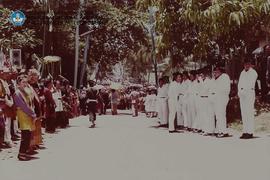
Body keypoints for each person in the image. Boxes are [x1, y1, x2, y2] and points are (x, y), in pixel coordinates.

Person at [14, 75, 37, 161]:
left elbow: (30, 102)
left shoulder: (25, 92)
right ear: (18, 83)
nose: (25, 84)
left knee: (28, 134)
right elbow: (23, 106)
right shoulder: (17, 93)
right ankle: (21, 154)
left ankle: (24, 152)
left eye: (26, 82)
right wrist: (32, 113)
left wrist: (32, 113)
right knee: (25, 135)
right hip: (23, 115)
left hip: (28, 115)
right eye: (23, 82)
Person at [238, 58, 258, 139]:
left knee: (249, 113)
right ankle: (245, 131)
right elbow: (239, 84)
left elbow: (250, 84)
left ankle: (250, 132)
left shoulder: (253, 73)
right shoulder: (242, 73)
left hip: (249, 94)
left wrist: (244, 91)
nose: (246, 65)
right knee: (244, 113)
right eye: (245, 64)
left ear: (250, 64)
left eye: (248, 64)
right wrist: (239, 92)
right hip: (242, 95)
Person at [212, 66, 231, 138]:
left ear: (220, 71)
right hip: (217, 99)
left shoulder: (225, 77)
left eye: (216, 71)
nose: (215, 73)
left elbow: (225, 89)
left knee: (221, 115)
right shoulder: (216, 78)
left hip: (222, 98)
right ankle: (219, 130)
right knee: (218, 115)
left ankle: (223, 131)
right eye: (214, 71)